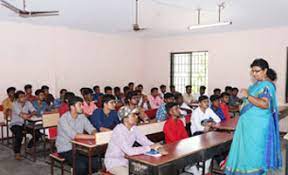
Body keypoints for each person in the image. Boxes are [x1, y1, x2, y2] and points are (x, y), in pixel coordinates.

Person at [225, 58, 282, 175]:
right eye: (253, 71)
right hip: (248, 125)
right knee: (245, 153)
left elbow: (264, 104)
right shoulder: (257, 85)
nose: (255, 74)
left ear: (265, 70)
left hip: (257, 127)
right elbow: (251, 102)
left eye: (257, 71)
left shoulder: (267, 85)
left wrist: (248, 96)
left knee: (254, 153)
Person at [104, 106, 166, 175]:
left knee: (148, 171)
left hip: (127, 161)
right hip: (115, 163)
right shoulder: (118, 131)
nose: (136, 117)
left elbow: (145, 141)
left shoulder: (134, 128)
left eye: (136, 115)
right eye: (133, 115)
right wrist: (149, 147)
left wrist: (157, 147)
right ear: (125, 119)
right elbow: (129, 151)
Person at [56, 96, 99, 175]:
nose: (82, 107)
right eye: (80, 105)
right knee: (81, 166)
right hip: (66, 148)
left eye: (82, 104)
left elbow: (91, 128)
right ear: (72, 107)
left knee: (96, 163)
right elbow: (74, 135)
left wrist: (95, 133)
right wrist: (94, 137)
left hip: (79, 146)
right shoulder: (63, 119)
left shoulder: (82, 116)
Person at [10, 91, 37, 160]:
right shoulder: (14, 104)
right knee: (19, 136)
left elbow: (34, 111)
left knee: (37, 133)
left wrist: (29, 115)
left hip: (25, 124)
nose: (24, 98)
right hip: (15, 124)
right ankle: (17, 153)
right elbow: (22, 116)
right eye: (21, 97)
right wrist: (27, 115)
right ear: (17, 99)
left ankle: (29, 147)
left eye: (24, 96)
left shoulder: (28, 103)